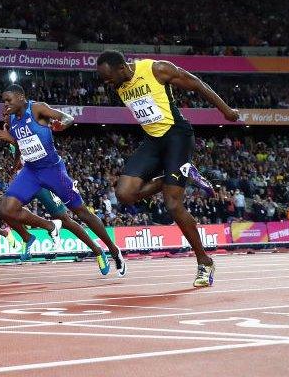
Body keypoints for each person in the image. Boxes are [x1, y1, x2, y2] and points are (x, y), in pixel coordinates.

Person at [97, 50, 239, 288]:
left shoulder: (156, 69)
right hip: (153, 141)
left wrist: (225, 110)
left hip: (177, 137)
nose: (106, 83)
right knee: (124, 194)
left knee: (173, 205)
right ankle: (174, 176)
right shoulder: (119, 84)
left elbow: (196, 84)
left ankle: (204, 262)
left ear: (122, 68)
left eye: (108, 77)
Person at [0, 88, 125, 276]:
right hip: (30, 172)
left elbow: (68, 118)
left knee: (80, 213)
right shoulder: (10, 120)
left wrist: (62, 125)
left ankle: (111, 249)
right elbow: (23, 144)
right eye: (3, 101)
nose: (5, 104)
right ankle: (45, 229)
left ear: (21, 97)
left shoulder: (37, 108)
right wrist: (11, 146)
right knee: (6, 209)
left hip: (53, 172)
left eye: (8, 100)